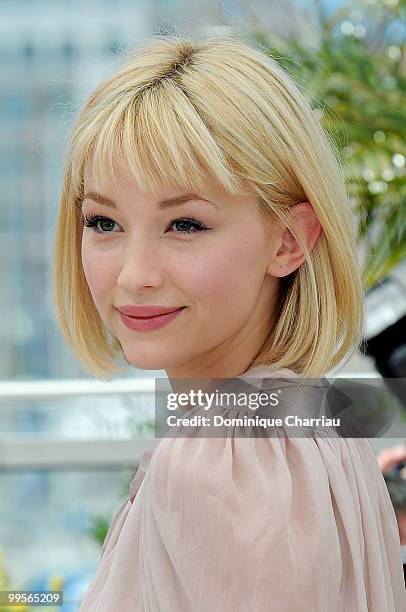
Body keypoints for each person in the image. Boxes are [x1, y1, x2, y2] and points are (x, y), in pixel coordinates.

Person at [52, 34, 406, 611]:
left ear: (290, 241)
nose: (135, 275)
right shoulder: (306, 425)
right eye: (104, 222)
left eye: (186, 225)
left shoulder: (217, 462)